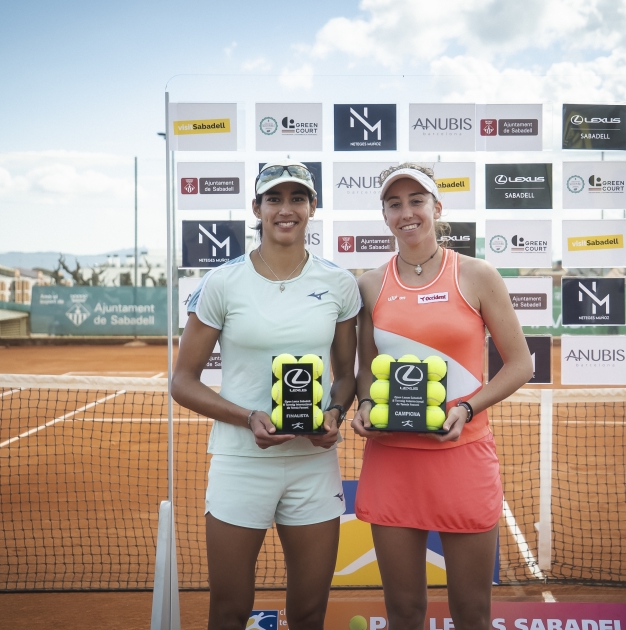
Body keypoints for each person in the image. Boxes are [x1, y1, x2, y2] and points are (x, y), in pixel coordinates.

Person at [172, 160, 360, 630]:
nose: (286, 209)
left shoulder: (338, 283)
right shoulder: (222, 282)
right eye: (274, 199)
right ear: (256, 207)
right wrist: (248, 416)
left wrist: (335, 413)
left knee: (309, 612)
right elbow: (183, 381)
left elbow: (345, 377)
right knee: (230, 610)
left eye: (297, 198)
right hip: (240, 462)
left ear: (312, 208)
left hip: (312, 465)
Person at [350, 163, 534, 630]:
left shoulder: (476, 274)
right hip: (393, 462)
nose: (406, 212)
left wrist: (468, 407)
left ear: (437, 207)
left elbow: (520, 364)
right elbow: (368, 372)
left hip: (462, 456)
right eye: (395, 203)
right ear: (385, 214)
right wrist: (367, 406)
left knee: (472, 613)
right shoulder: (370, 284)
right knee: (404, 613)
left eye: (416, 201)